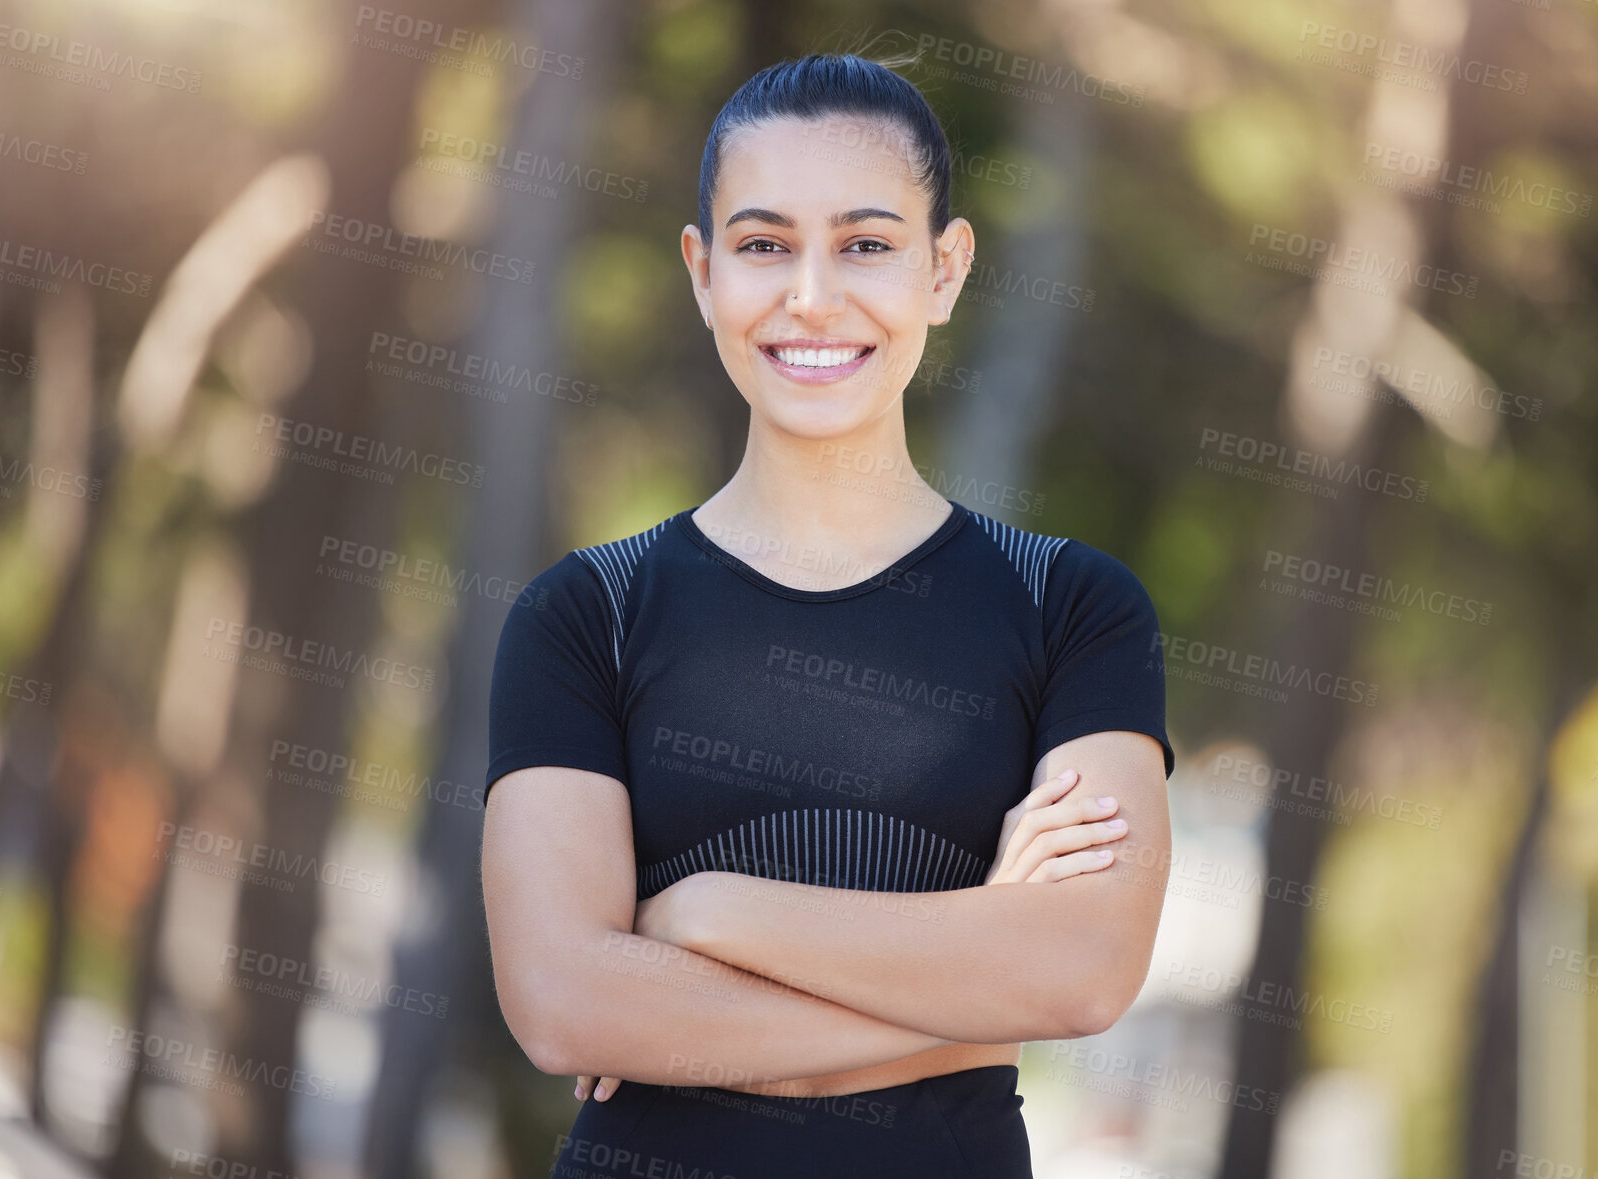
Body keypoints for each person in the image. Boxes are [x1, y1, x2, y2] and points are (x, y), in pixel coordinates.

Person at [481, 51, 1175, 1179]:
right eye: (763, 246)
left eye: (866, 244)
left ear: (944, 271)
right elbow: (564, 1007)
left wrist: (703, 914)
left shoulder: (1074, 611)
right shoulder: (583, 619)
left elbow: (1086, 973)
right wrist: (977, 983)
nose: (811, 295)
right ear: (703, 273)